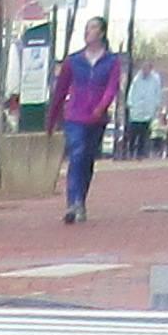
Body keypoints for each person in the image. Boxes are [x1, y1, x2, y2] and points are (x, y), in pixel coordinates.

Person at [53, 14, 118, 224]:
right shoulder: (73, 61)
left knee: (87, 160)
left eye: (92, 28)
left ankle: (81, 200)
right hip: (75, 116)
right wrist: (52, 117)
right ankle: (73, 203)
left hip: (96, 119)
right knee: (77, 154)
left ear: (101, 33)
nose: (87, 32)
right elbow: (60, 89)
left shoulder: (112, 61)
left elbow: (112, 87)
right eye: (86, 28)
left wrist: (101, 108)